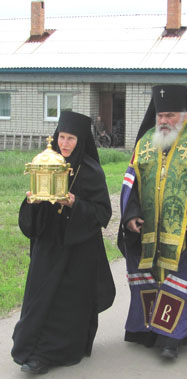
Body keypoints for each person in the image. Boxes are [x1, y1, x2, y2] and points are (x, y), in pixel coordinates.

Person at [118, 84, 187, 360]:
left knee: (177, 282)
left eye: (169, 115)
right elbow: (130, 184)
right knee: (150, 280)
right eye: (160, 116)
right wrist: (130, 216)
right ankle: (148, 331)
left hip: (185, 233)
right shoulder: (145, 143)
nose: (164, 121)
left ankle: (172, 339)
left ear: (183, 115)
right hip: (149, 232)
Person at [11, 111, 116, 374]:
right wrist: (31, 202)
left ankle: (53, 353)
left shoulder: (91, 171)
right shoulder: (47, 163)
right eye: (61, 137)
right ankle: (31, 348)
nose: (65, 143)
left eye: (71, 138)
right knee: (40, 296)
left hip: (78, 249)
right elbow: (34, 215)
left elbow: (102, 213)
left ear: (80, 141)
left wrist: (74, 203)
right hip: (48, 245)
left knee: (67, 303)